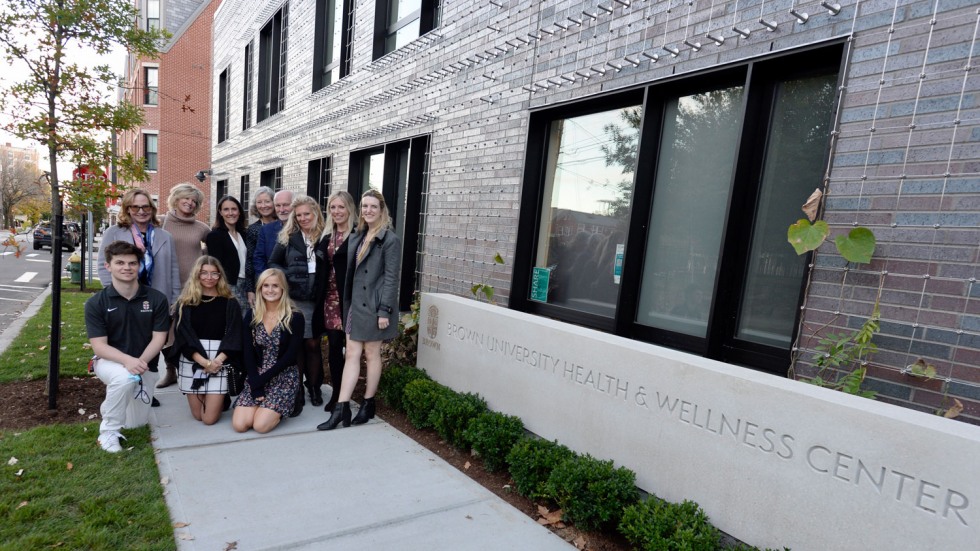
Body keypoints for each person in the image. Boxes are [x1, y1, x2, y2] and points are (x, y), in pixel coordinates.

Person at [318, 189, 401, 430]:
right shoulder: (357, 236)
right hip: (354, 304)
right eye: (365, 206)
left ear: (382, 210)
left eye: (373, 206)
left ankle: (368, 403)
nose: (368, 210)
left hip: (375, 307)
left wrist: (385, 310)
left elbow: (391, 278)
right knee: (352, 354)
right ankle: (341, 407)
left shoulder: (389, 239)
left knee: (371, 354)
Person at [86, 241, 170, 452]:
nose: (127, 267)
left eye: (132, 263)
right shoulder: (96, 303)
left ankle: (113, 403)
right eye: (120, 263)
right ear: (108, 266)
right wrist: (128, 362)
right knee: (125, 378)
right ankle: (108, 433)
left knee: (136, 423)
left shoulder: (156, 299)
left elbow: (159, 338)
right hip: (110, 362)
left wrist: (138, 364)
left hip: (144, 364)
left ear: (139, 265)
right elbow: (99, 347)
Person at [269, 195, 326, 414]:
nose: (303, 218)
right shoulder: (289, 237)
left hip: (316, 298)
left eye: (306, 214)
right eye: (299, 215)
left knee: (312, 343)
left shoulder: (325, 236)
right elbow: (273, 262)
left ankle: (314, 387)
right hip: (294, 298)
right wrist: (288, 276)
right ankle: (298, 390)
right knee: (297, 344)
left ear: (315, 214)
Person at [172, 256, 243, 425]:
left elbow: (234, 335)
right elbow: (183, 337)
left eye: (214, 274)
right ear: (196, 274)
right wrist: (203, 362)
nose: (209, 278)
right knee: (198, 416)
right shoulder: (185, 303)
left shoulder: (230, 303)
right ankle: (215, 398)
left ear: (220, 276)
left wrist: (216, 362)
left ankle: (219, 397)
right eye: (204, 273)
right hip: (193, 358)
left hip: (219, 360)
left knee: (208, 419)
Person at [232, 268, 304, 433]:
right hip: (256, 375)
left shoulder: (295, 317)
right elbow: (248, 353)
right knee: (240, 425)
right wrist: (256, 384)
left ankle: (291, 401)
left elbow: (290, 356)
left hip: (283, 377)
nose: (270, 290)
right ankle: (264, 407)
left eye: (275, 286)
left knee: (260, 426)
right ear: (260, 288)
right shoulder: (252, 315)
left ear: (283, 289)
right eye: (266, 285)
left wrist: (261, 381)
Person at [157, 183, 211, 390]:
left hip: (193, 288)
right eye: (185, 198)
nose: (189, 203)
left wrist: (203, 262)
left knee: (188, 330)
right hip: (165, 285)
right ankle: (170, 371)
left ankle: (187, 370)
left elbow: (214, 251)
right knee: (165, 330)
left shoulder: (201, 228)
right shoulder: (161, 222)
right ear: (176, 199)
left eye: (194, 201)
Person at [98, 189, 181, 303]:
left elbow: (174, 271)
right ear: (128, 209)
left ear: (152, 208)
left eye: (146, 207)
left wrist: (175, 299)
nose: (141, 211)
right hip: (125, 298)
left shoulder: (166, 236)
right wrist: (112, 292)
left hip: (159, 299)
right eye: (135, 207)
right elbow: (103, 266)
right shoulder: (113, 233)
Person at [314, 191, 356, 413]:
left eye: (341, 207)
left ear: (349, 209)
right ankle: (337, 395)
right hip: (329, 299)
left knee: (351, 352)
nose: (337, 211)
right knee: (333, 350)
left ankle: (345, 398)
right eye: (333, 207)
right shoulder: (327, 235)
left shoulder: (358, 235)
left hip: (350, 300)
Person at [205, 195, 249, 307]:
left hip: (247, 285)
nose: (230, 213)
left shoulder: (244, 234)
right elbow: (216, 265)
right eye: (226, 209)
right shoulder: (215, 236)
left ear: (239, 211)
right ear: (220, 212)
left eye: (234, 209)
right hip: (228, 285)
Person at [244, 186, 276, 308]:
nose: (264, 205)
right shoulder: (253, 229)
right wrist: (250, 289)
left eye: (267, 201)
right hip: (262, 282)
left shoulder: (285, 225)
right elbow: (250, 260)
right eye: (259, 202)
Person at [253, 189, 294, 282]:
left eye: (286, 205)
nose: (281, 210)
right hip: (273, 285)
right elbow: (259, 258)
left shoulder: (303, 228)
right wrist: (267, 280)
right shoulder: (266, 230)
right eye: (278, 206)